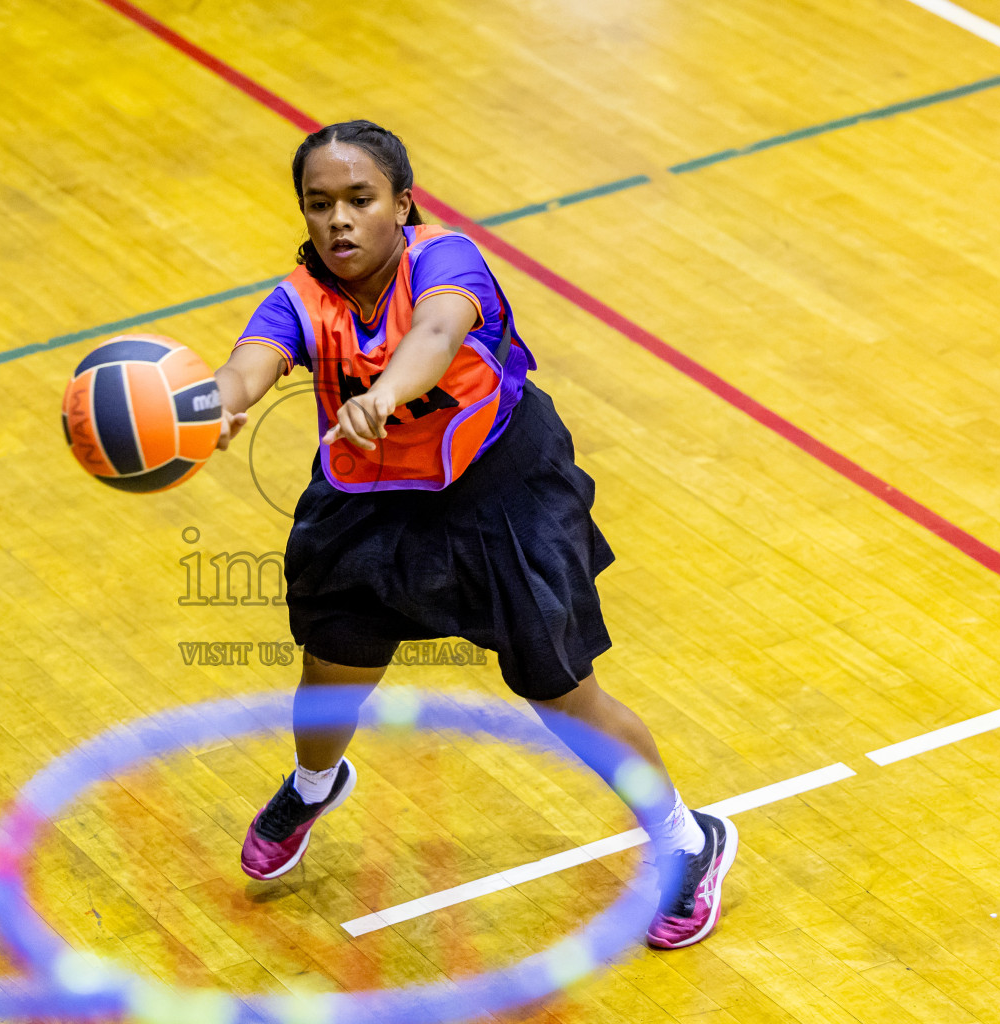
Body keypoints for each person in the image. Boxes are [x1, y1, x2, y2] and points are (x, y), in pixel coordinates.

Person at [211, 120, 735, 949]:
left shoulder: (447, 263)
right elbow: (250, 361)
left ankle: (687, 841)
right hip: (372, 497)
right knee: (331, 667)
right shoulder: (299, 299)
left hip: (502, 493)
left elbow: (437, 335)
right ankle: (314, 783)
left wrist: (383, 395)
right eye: (319, 205)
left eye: (359, 199)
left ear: (402, 204)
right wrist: (217, 402)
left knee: (559, 693)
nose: (339, 220)